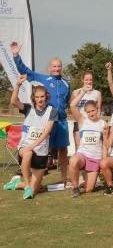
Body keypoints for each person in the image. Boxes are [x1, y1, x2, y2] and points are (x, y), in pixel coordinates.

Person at [11, 41, 71, 186]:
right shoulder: (43, 79)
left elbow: (67, 101)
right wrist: (16, 56)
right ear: (49, 68)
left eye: (59, 66)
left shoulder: (66, 83)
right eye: (54, 66)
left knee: (63, 151)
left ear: (61, 68)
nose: (56, 69)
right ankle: (29, 177)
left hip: (61, 122)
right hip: (46, 122)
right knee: (41, 149)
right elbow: (25, 71)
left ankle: (65, 179)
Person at [5, 76, 56, 199]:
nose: (40, 99)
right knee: (27, 153)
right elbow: (13, 101)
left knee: (36, 190)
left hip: (41, 152)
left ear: (46, 97)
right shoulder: (28, 108)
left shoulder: (52, 111)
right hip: (25, 147)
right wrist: (18, 85)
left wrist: (33, 146)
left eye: (42, 96)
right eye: (37, 97)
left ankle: (17, 183)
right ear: (34, 98)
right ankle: (27, 185)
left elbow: (46, 132)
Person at [68, 95, 107, 197]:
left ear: (97, 109)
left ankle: (85, 179)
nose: (91, 113)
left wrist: (103, 160)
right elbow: (72, 105)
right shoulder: (82, 120)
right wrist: (83, 91)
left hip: (95, 158)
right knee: (73, 160)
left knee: (89, 189)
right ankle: (75, 187)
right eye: (88, 112)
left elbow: (105, 144)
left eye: (93, 110)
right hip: (83, 155)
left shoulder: (103, 124)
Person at [71, 71, 102, 150]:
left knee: (91, 147)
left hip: (92, 123)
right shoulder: (76, 92)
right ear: (82, 80)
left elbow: (98, 109)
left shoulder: (97, 93)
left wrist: (97, 123)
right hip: (79, 123)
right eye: (86, 80)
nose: (89, 82)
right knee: (79, 148)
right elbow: (72, 107)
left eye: (91, 80)